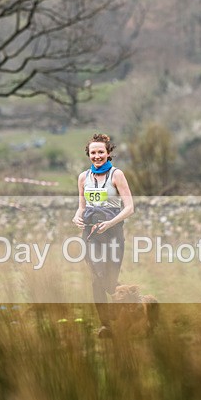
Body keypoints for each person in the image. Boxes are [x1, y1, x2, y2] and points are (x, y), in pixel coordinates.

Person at [72, 133, 135, 337]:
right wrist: (77, 217)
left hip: (113, 234)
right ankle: (106, 326)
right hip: (90, 235)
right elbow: (82, 207)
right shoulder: (83, 177)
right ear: (88, 154)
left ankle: (133, 300)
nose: (97, 156)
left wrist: (110, 223)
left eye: (101, 152)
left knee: (109, 282)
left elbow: (130, 208)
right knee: (97, 279)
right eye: (93, 152)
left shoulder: (117, 175)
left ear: (108, 153)